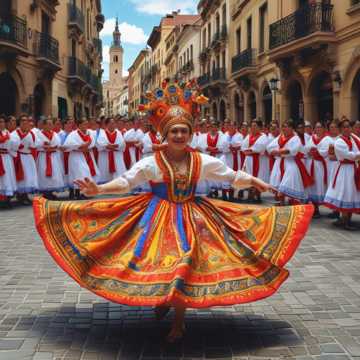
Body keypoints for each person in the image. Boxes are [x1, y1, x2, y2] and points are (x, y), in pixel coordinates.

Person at [33, 82, 314, 343]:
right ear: (164, 135)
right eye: (173, 131)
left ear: (190, 134)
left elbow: (228, 176)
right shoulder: (151, 162)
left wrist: (254, 181)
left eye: (183, 131)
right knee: (152, 260)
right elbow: (127, 181)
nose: (179, 135)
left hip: (194, 216)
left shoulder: (200, 160)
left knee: (185, 262)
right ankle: (163, 299)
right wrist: (100, 190)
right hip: (155, 216)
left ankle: (178, 321)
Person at [324, 119, 360, 230]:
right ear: (340, 129)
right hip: (344, 170)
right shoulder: (339, 142)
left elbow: (355, 151)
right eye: (344, 127)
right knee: (345, 192)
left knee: (351, 193)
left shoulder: (352, 139)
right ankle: (344, 220)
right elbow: (349, 155)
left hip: (352, 168)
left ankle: (346, 218)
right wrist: (358, 154)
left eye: (348, 127)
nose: (346, 129)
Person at [267, 120, 313, 205]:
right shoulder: (280, 137)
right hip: (279, 163)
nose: (284, 128)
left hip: (290, 163)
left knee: (288, 184)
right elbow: (270, 147)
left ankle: (292, 204)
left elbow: (293, 150)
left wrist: (279, 151)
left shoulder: (295, 138)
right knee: (279, 183)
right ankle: (281, 203)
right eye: (283, 126)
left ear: (292, 128)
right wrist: (278, 151)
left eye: (287, 126)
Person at [63, 117, 99, 200]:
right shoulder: (73, 134)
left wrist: (87, 146)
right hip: (76, 156)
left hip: (86, 155)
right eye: (84, 124)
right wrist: (83, 146)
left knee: (84, 173)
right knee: (77, 173)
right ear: (79, 125)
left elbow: (92, 144)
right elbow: (68, 145)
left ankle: (82, 192)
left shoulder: (90, 133)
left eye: (86, 124)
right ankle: (74, 192)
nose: (85, 125)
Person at [11, 114, 38, 205]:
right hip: (20, 157)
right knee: (22, 176)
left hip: (28, 156)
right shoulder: (15, 133)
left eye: (26, 120)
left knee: (28, 176)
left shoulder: (30, 133)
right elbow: (12, 144)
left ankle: (25, 195)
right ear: (19, 122)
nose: (24, 122)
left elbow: (34, 144)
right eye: (22, 120)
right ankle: (20, 195)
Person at [36, 117, 65, 200]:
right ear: (44, 125)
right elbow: (38, 145)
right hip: (43, 156)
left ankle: (51, 191)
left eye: (51, 124)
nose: (50, 126)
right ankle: (45, 192)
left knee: (54, 173)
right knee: (43, 172)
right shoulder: (39, 134)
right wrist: (46, 146)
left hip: (53, 156)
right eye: (48, 124)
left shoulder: (54, 134)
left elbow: (57, 144)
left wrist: (50, 147)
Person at [97, 118, 127, 183]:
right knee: (105, 172)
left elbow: (122, 144)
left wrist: (110, 146)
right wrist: (109, 146)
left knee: (118, 172)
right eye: (111, 123)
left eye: (113, 123)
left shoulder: (118, 132)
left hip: (117, 156)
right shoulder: (102, 133)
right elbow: (100, 144)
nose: (113, 125)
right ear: (107, 124)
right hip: (105, 157)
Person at [0, 114, 17, 208]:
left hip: (6, 158)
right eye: (0, 122)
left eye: (2, 122)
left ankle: (7, 199)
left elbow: (13, 146)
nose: (1, 124)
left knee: (7, 178)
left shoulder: (9, 134)